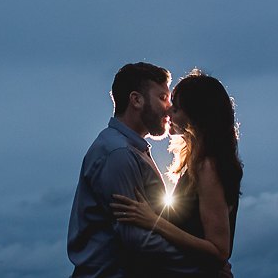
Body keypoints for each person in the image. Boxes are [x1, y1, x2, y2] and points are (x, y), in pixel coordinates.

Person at [69, 62, 204, 277]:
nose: (169, 108)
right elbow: (137, 239)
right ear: (136, 100)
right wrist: (201, 268)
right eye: (162, 97)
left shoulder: (129, 149)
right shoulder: (118, 153)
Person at [111, 69, 242, 274]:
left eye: (177, 109)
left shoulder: (208, 167)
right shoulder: (196, 165)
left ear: (196, 116)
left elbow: (219, 249)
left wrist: (154, 221)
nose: (169, 112)